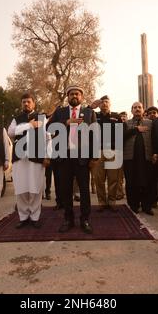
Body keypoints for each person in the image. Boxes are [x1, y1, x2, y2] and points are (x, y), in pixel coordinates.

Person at [47, 85, 98, 234]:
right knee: (65, 190)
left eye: (77, 94)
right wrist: (65, 123)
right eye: (71, 94)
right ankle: (68, 219)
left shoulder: (89, 113)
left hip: (82, 158)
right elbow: (49, 129)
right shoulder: (60, 112)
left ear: (81, 97)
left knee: (84, 191)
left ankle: (85, 220)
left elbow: (94, 136)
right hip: (64, 157)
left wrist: (94, 157)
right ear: (68, 97)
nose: (74, 96)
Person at [8, 93, 50, 229]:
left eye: (28, 102)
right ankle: (23, 216)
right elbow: (11, 132)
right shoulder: (16, 119)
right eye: (24, 102)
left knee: (35, 188)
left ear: (34, 104)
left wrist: (47, 156)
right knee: (21, 188)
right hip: (19, 159)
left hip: (36, 158)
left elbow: (47, 138)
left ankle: (35, 216)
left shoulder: (42, 118)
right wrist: (29, 125)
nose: (26, 104)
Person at [89, 95, 122, 212]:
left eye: (107, 102)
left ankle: (112, 202)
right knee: (99, 179)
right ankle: (102, 202)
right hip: (98, 152)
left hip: (112, 151)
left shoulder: (116, 116)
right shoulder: (94, 116)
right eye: (102, 102)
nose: (104, 104)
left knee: (113, 178)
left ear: (110, 104)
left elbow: (121, 134)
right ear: (99, 104)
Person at [123, 102, 154, 215]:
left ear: (143, 110)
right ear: (131, 111)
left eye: (139, 107)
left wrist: (155, 153)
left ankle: (147, 206)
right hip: (130, 158)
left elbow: (155, 139)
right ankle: (133, 206)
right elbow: (120, 137)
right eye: (135, 108)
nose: (137, 109)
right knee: (131, 183)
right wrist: (136, 129)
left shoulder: (150, 123)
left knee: (147, 182)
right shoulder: (126, 123)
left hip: (146, 157)